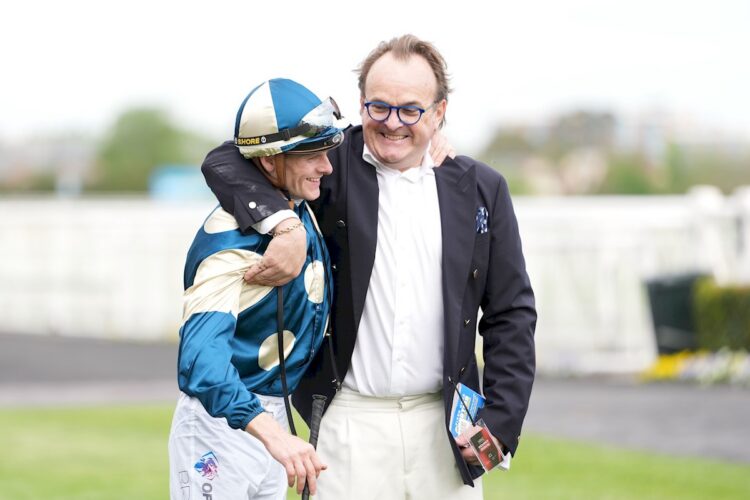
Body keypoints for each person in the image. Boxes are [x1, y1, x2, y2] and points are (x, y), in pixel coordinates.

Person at [201, 35, 537, 500]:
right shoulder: (327, 163)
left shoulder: (482, 188)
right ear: (361, 104)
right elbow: (226, 159)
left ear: (440, 113)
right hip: (346, 421)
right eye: (379, 107)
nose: (392, 123)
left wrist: (500, 423)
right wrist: (286, 225)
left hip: (446, 427)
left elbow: (511, 314)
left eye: (410, 110)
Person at [168, 77, 346, 500]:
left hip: (272, 419)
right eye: (313, 155)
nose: (328, 167)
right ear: (268, 162)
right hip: (222, 424)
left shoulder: (297, 204)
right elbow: (199, 363)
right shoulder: (227, 240)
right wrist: (273, 435)